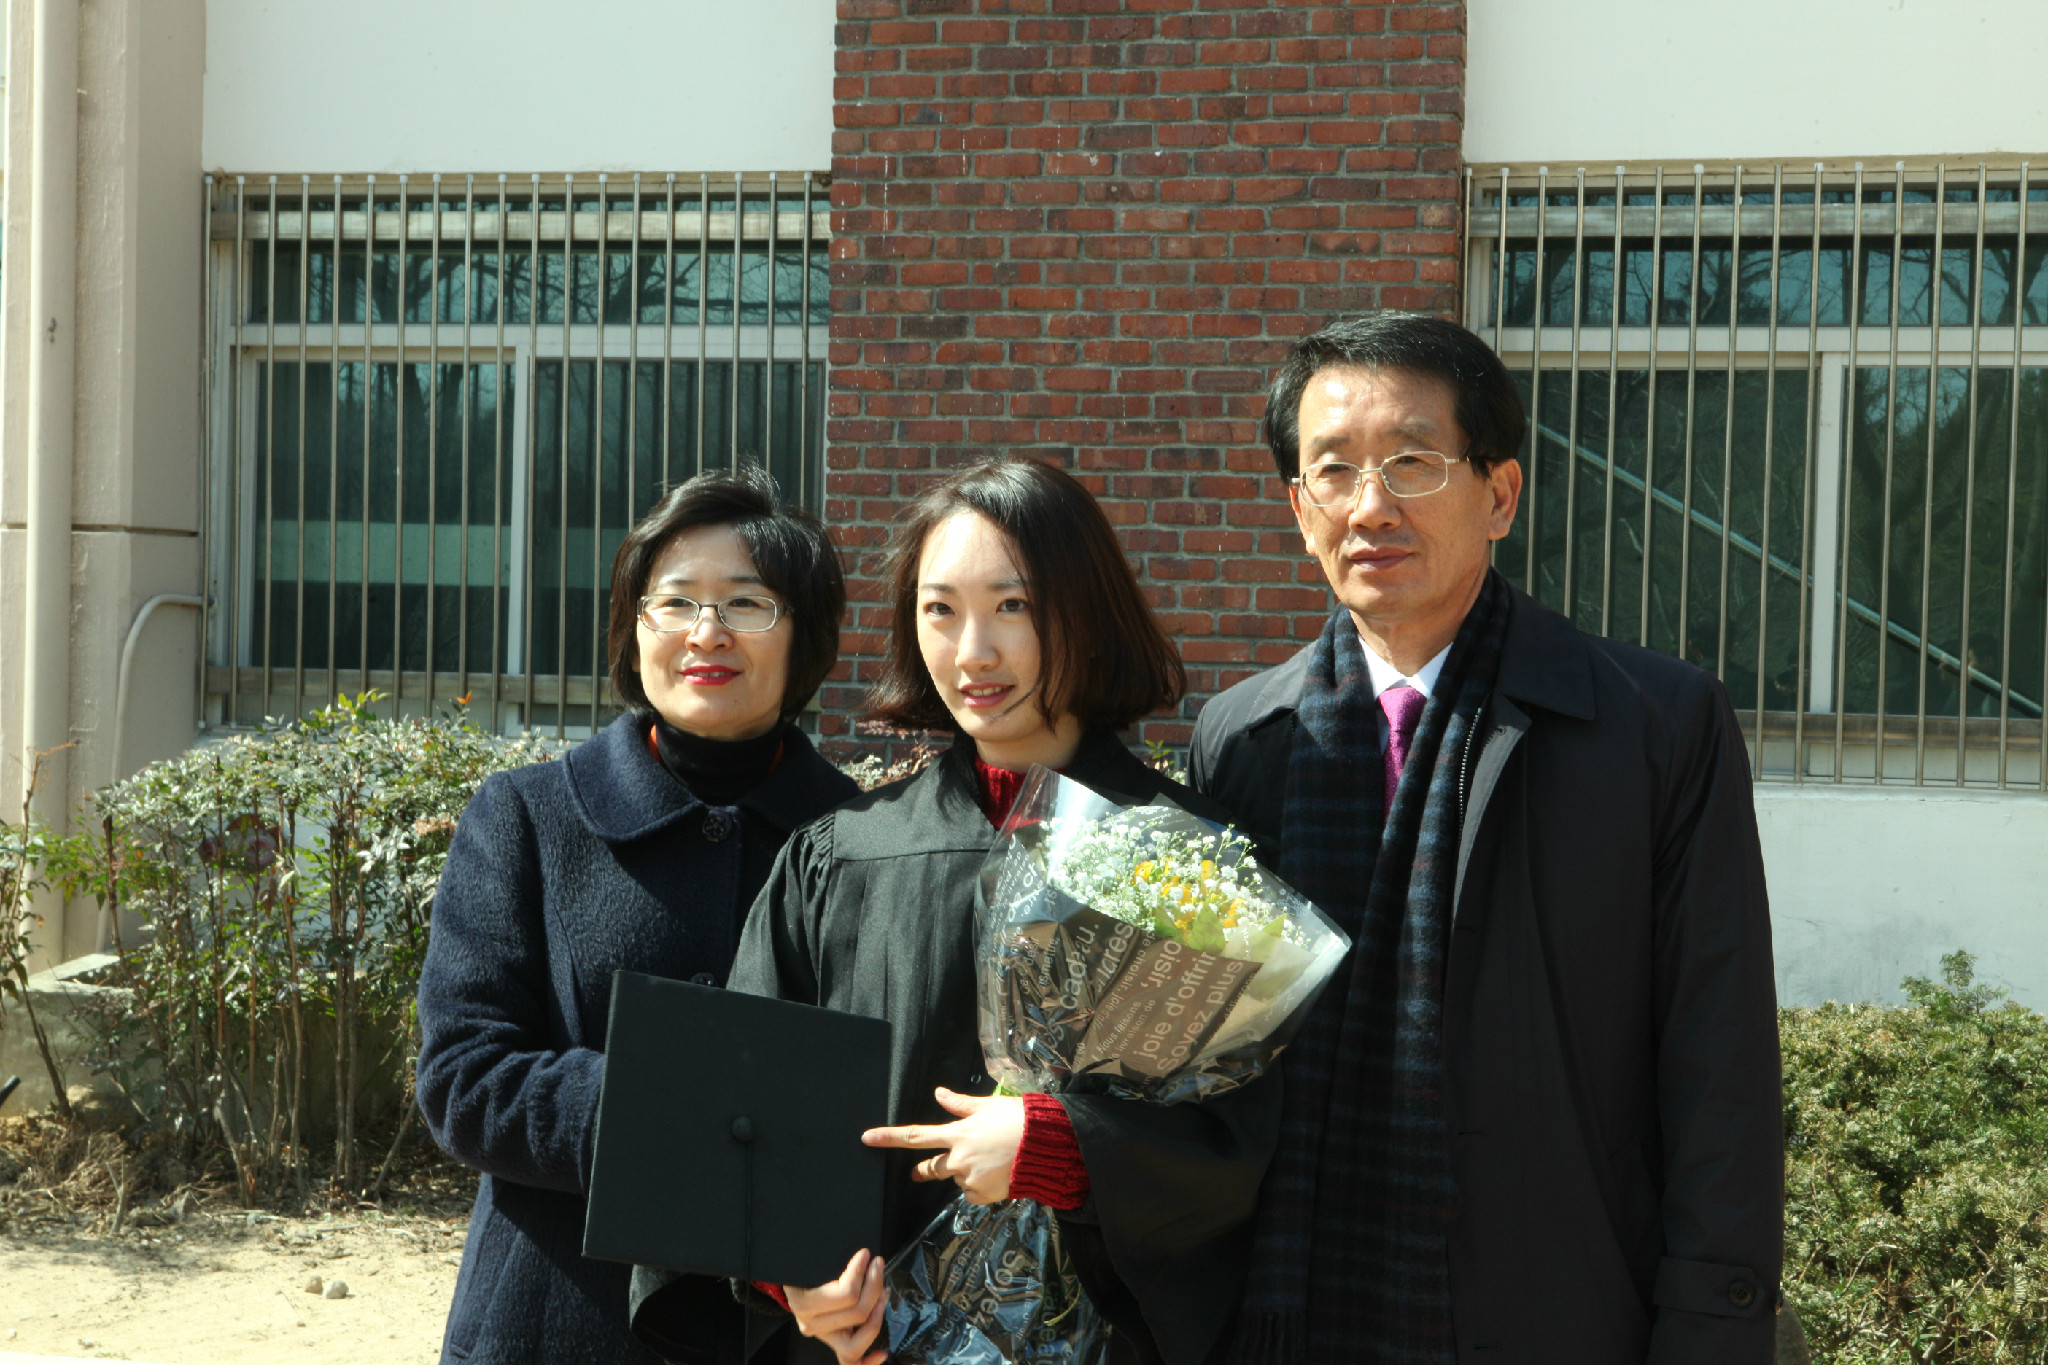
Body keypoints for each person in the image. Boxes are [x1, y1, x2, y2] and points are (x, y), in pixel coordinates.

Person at [1189, 313, 1783, 1365]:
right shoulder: (1240, 742)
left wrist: (1705, 1336)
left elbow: (1719, 1069)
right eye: (1333, 470)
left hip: (1566, 1314)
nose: (1370, 506)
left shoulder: (1652, 727)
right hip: (1289, 1318)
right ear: (1298, 508)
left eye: (1411, 463)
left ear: (1499, 494)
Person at [631, 458, 1277, 1365]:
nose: (973, 651)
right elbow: (739, 1116)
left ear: (1087, 611)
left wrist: (1063, 1146)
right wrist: (792, 1281)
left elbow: (1238, 1140)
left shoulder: (1187, 867)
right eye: (940, 609)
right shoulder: (842, 857)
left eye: (1013, 605)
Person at [416, 469, 859, 1365]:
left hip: (793, 1331)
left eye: (748, 604)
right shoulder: (527, 817)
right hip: (554, 1324)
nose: (707, 632)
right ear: (634, 623)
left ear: (803, 634)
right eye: (676, 601)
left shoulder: (862, 842)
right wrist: (680, 1114)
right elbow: (463, 1078)